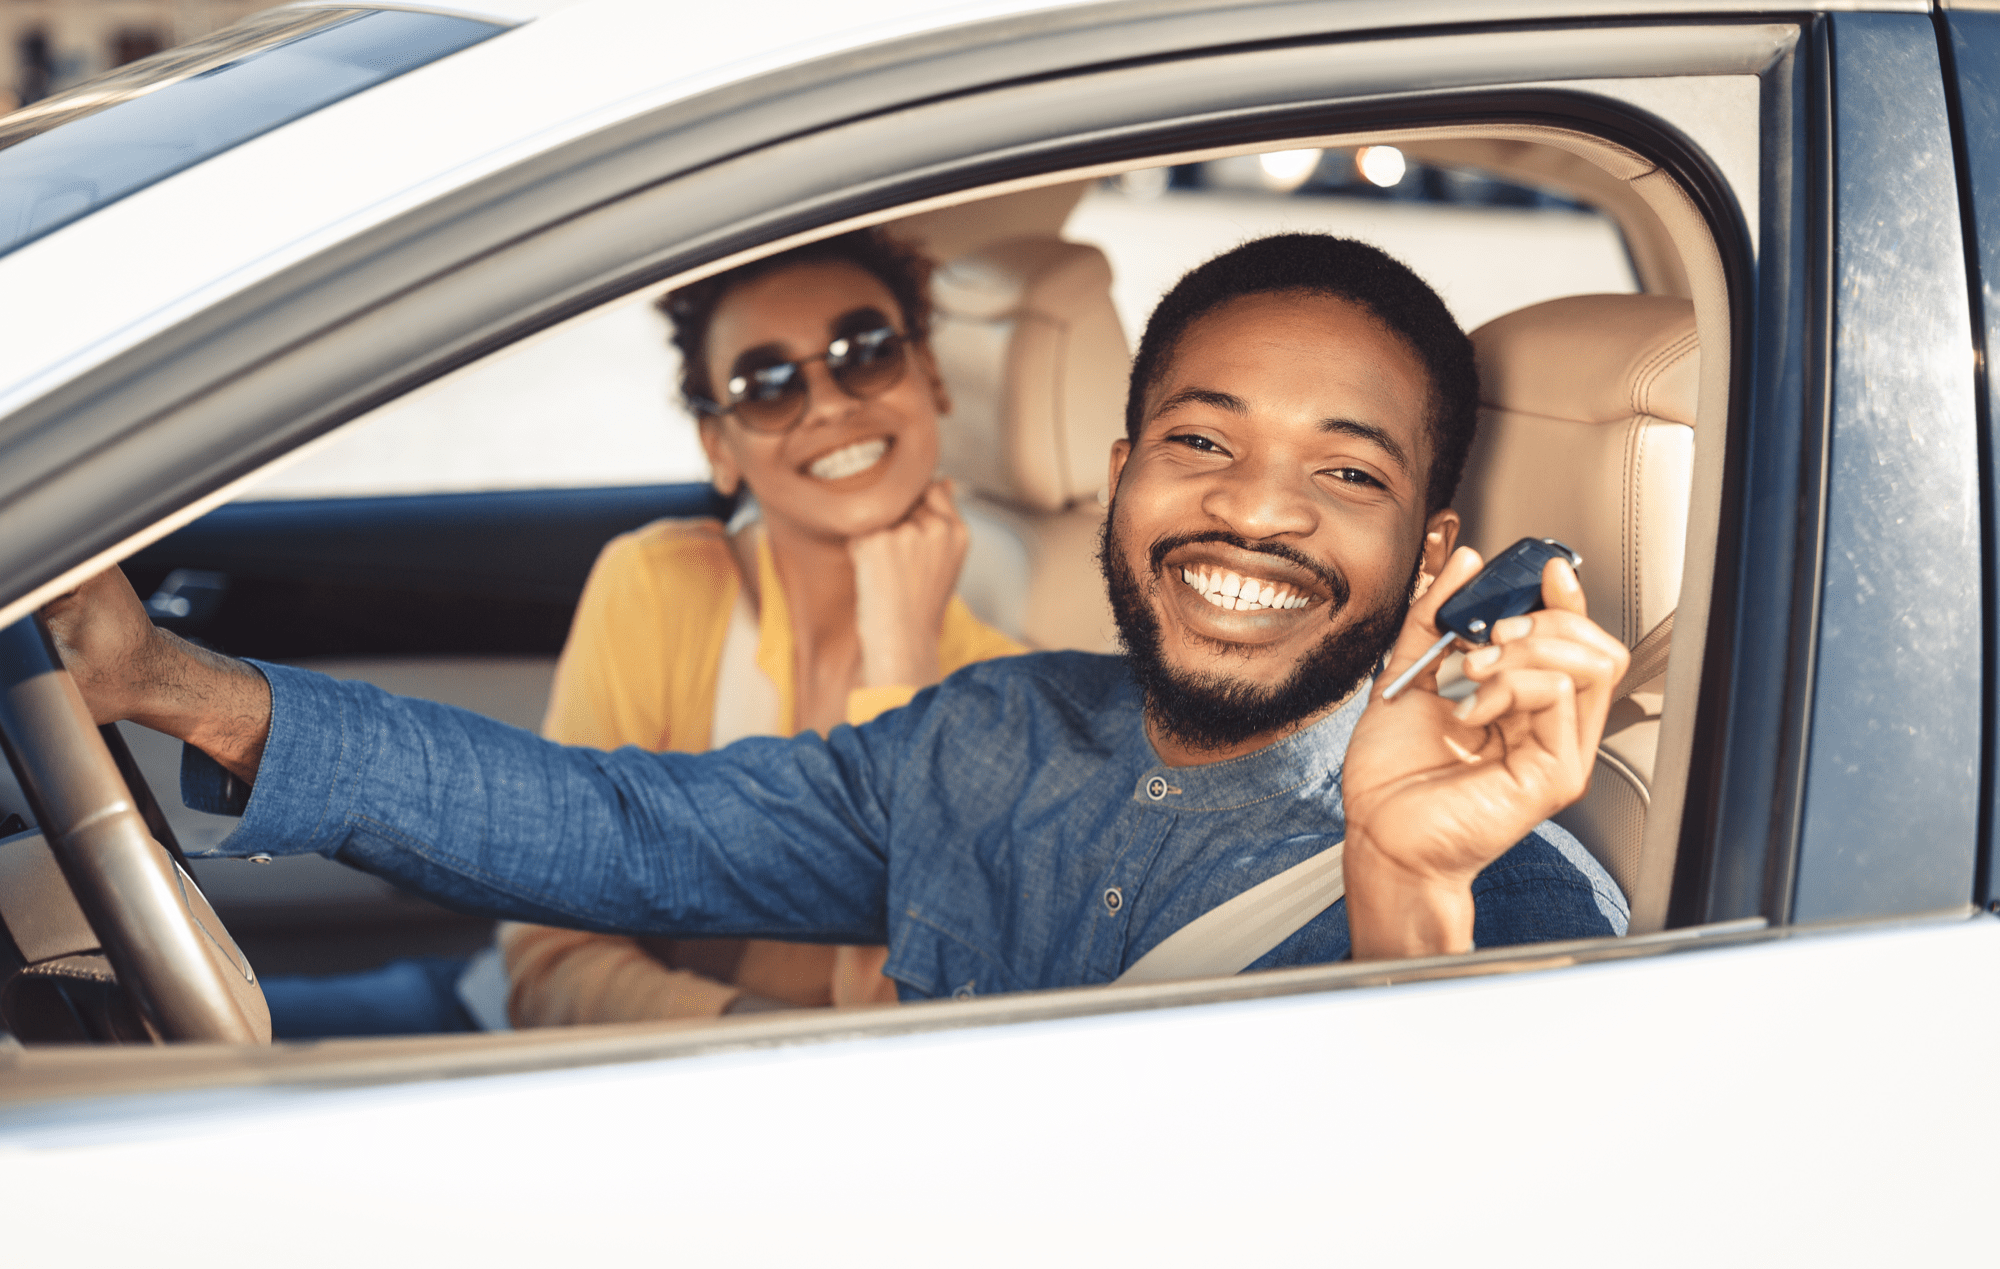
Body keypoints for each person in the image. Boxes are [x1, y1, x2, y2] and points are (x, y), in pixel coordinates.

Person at [46, 234, 1632, 995]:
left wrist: (1403, 888)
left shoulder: (1506, 878)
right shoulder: (987, 731)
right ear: (1121, 478)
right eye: (1202, 442)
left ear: (1432, 556)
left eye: (1342, 473)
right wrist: (174, 679)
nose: (1254, 511)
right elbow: (613, 822)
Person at [504, 229, 1021, 1024]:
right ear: (720, 447)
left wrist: (901, 669)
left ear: (933, 381)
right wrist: (745, 1037)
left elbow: (916, 1022)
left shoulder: (1010, 697)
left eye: (867, 350)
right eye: (769, 384)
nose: (830, 403)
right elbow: (549, 956)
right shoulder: (657, 586)